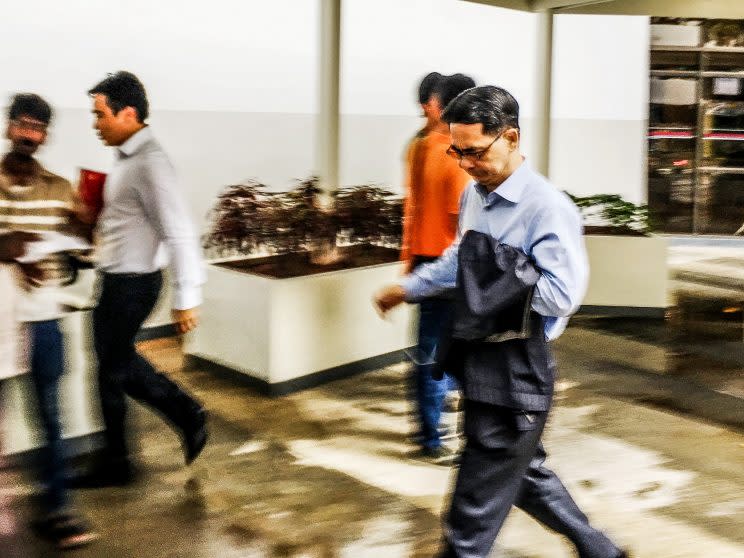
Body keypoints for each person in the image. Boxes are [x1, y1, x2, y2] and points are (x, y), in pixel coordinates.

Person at [375, 86, 627, 558]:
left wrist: (493, 270)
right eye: (458, 151)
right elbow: (460, 259)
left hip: (518, 371)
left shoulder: (547, 207)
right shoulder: (476, 196)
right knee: (524, 473)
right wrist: (410, 286)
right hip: (480, 358)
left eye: (475, 152)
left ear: (510, 137)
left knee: (470, 519)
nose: (465, 163)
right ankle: (601, 551)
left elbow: (562, 294)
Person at [69, 71, 207, 488]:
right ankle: (124, 456)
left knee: (113, 368)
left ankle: (176, 419)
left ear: (128, 113)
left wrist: (187, 295)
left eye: (100, 115)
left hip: (134, 285)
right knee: (112, 368)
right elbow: (127, 226)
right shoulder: (127, 159)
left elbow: (178, 229)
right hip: (117, 279)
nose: (95, 124)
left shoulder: (150, 163)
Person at [0, 93, 97, 549]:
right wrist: (9, 248)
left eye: (37, 127)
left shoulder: (60, 188)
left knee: (50, 416)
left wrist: (86, 229)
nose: (28, 134)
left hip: (43, 318)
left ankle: (56, 510)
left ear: (45, 136)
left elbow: (84, 249)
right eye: (22, 123)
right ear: (8, 126)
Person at [401, 73, 475, 462]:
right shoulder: (453, 155)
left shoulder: (420, 146)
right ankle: (449, 438)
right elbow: (461, 222)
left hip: (425, 261)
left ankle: (429, 436)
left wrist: (409, 263)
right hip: (450, 266)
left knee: (428, 353)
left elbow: (412, 207)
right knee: (456, 356)